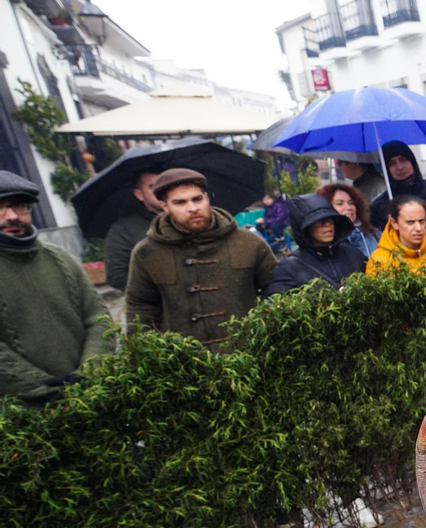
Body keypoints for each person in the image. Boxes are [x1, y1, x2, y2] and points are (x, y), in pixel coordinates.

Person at [125, 168, 277, 351]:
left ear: (207, 198)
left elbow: (276, 290)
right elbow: (140, 309)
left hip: (248, 358)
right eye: (180, 202)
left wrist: (262, 334)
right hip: (184, 365)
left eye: (197, 199)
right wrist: (150, 355)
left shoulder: (248, 243)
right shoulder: (147, 253)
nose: (192, 208)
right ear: (165, 207)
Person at [0, 171, 114, 403]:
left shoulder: (60, 259)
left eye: (18, 206)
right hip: (22, 416)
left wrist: (89, 373)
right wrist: (48, 388)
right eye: (0, 208)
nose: (11, 216)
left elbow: (98, 318)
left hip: (90, 399)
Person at [267, 194, 367, 296]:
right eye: (318, 220)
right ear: (305, 227)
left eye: (330, 218)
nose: (327, 224)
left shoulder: (354, 255)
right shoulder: (290, 267)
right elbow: (277, 305)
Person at [366, 195, 426, 275]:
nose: (418, 228)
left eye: (421, 221)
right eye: (410, 222)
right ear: (394, 223)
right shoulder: (379, 260)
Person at [103, 171, 163, 292]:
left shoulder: (194, 217)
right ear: (139, 194)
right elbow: (116, 275)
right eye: (153, 186)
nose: (162, 190)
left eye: (166, 184)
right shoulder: (123, 229)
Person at [324, 182, 381, 260]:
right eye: (340, 203)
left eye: (351, 203)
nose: (348, 207)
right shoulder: (325, 240)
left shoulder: (374, 233)